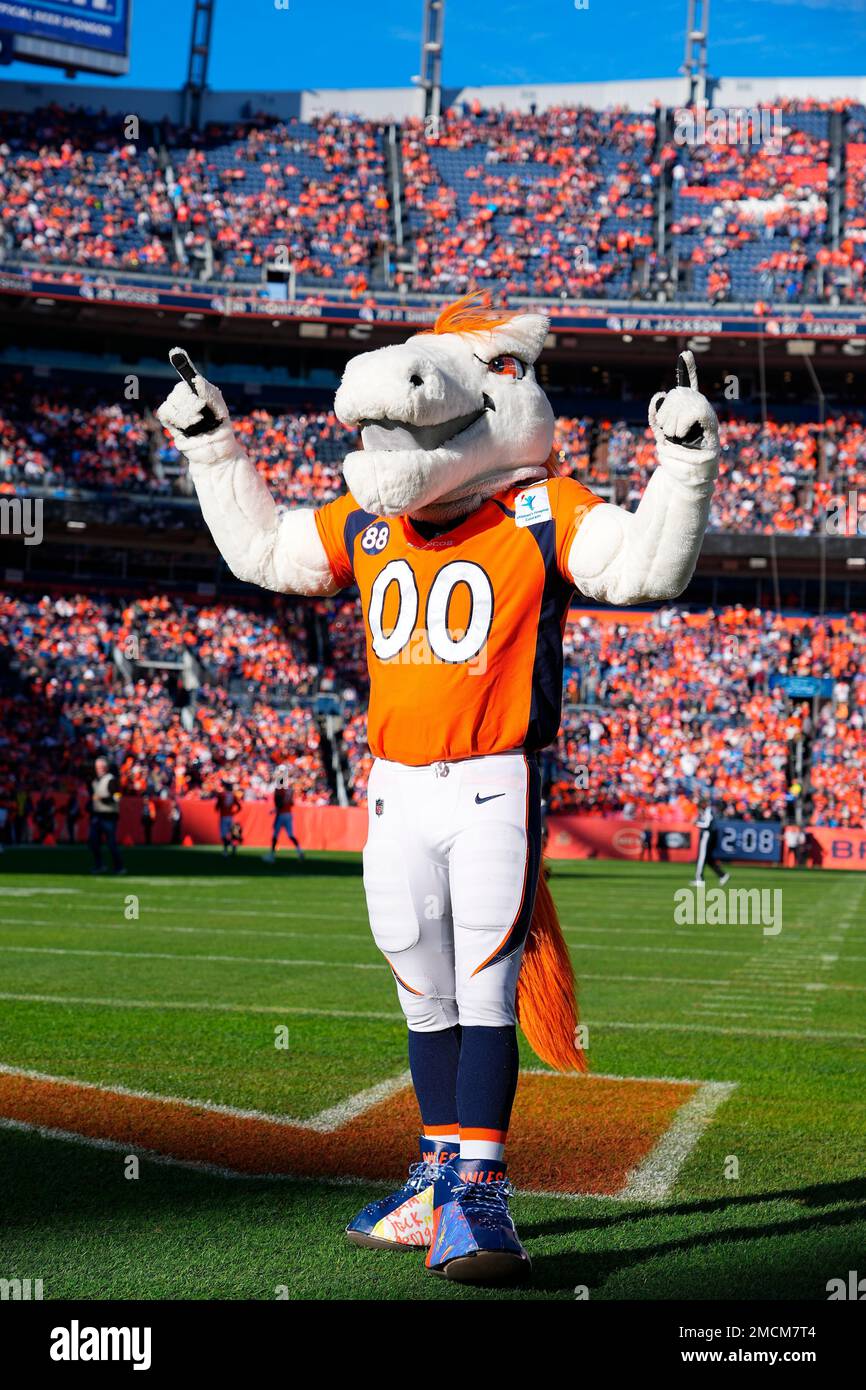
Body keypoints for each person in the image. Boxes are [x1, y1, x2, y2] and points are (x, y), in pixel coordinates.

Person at [159, 292, 719, 1285]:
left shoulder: (537, 510)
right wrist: (212, 448)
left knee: (483, 991)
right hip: (394, 790)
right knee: (423, 997)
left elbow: (640, 574)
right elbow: (265, 553)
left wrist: (682, 469)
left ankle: (481, 1196)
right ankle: (436, 1181)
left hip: (491, 783)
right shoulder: (370, 524)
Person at [88, 756, 125, 875]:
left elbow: (118, 796)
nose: (99, 769)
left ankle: (119, 867)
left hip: (109, 815)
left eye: (101, 767)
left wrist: (105, 799)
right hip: (97, 815)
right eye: (97, 767)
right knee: (94, 842)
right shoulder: (95, 780)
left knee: (111, 843)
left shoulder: (111, 779)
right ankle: (99, 865)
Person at [262, 783, 304, 863]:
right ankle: (300, 851)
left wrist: (274, 810)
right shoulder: (289, 790)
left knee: (275, 835)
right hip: (288, 814)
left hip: (281, 814)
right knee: (291, 835)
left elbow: (279, 804)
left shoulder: (279, 790)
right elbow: (291, 803)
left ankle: (272, 855)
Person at [692, 804, 729, 886]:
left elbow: (707, 824)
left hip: (707, 836)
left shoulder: (708, 811)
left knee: (701, 857)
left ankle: (699, 879)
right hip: (709, 836)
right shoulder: (706, 811)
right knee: (708, 859)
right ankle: (722, 875)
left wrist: (696, 823)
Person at [216, 781, 241, 856]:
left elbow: (217, 806)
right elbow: (239, 807)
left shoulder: (222, 795)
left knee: (223, 835)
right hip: (230, 816)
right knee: (232, 834)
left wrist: (218, 808)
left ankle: (226, 850)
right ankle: (233, 848)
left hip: (224, 816)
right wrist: (234, 812)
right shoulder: (233, 796)